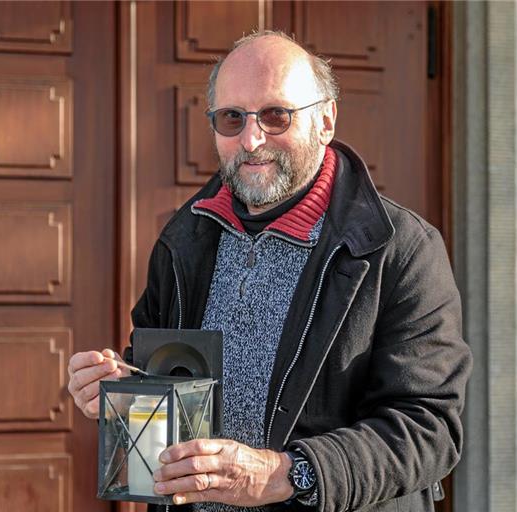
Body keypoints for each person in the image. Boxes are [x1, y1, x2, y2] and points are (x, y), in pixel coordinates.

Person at [68, 31, 472, 512]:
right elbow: (159, 382)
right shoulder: (184, 239)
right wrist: (116, 391)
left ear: (326, 120)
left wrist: (287, 474)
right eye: (232, 118)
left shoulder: (401, 249)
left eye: (276, 115)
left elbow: (428, 428)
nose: (252, 139)